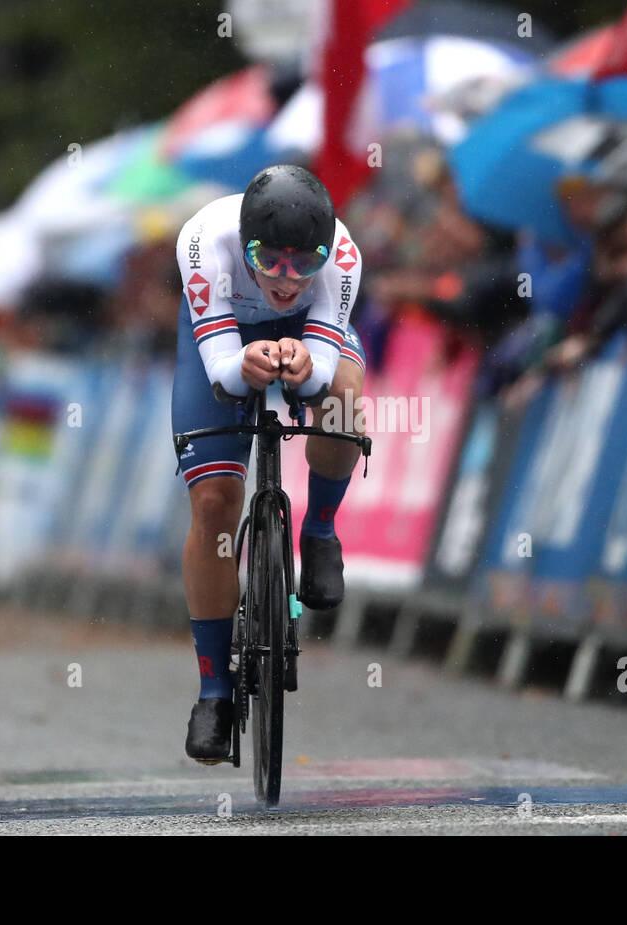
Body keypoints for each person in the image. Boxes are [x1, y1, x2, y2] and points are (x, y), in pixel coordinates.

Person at [172, 165, 366, 764]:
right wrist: (247, 363)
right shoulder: (204, 243)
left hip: (306, 335)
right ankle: (213, 692)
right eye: (270, 260)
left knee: (345, 399)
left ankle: (321, 531)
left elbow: (323, 372)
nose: (286, 279)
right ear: (245, 242)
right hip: (223, 334)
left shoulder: (344, 256)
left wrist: (307, 365)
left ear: (325, 252)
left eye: (302, 263)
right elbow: (225, 374)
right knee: (213, 506)